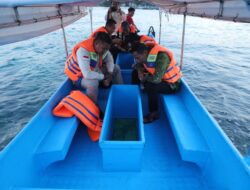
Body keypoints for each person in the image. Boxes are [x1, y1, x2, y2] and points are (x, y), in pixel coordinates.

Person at [65, 32, 123, 103]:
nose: (105, 51)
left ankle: (121, 92)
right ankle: (93, 105)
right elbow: (87, 74)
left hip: (94, 71)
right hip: (79, 77)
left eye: (107, 49)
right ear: (96, 43)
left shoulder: (103, 48)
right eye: (104, 49)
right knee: (93, 83)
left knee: (116, 68)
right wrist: (104, 77)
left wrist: (110, 74)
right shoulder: (83, 51)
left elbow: (109, 59)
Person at [131, 42, 182, 123]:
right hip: (161, 78)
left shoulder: (162, 57)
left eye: (137, 58)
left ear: (144, 53)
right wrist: (139, 69)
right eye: (135, 58)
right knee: (134, 72)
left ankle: (154, 114)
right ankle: (134, 94)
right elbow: (140, 64)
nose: (136, 60)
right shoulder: (145, 54)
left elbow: (156, 79)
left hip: (171, 84)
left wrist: (143, 78)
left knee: (151, 86)